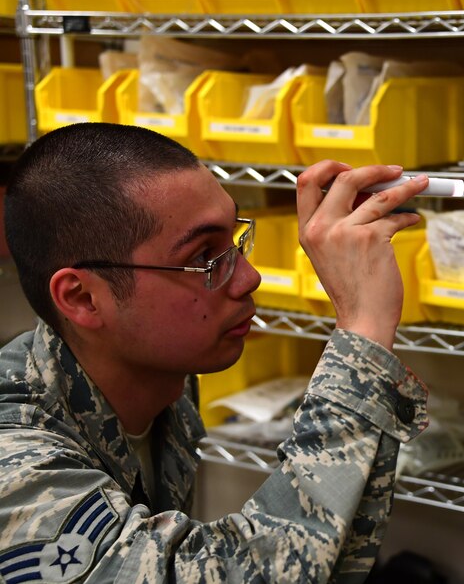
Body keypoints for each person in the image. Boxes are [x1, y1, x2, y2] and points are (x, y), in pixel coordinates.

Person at [0, 122, 429, 583]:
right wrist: (362, 332)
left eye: (234, 240)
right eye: (205, 254)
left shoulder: (168, 378)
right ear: (83, 298)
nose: (248, 278)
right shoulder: (15, 464)